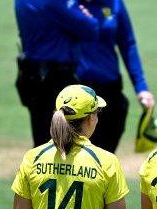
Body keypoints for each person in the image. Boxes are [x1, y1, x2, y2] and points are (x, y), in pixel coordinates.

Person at [15, 0, 100, 147]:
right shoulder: (56, 2)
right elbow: (91, 29)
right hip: (56, 79)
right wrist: (86, 16)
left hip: (31, 76)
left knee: (42, 140)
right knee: (68, 141)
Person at [76, 0, 154, 152]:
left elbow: (127, 42)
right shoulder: (67, 4)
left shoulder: (115, 3)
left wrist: (141, 86)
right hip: (75, 90)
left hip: (109, 89)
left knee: (105, 154)